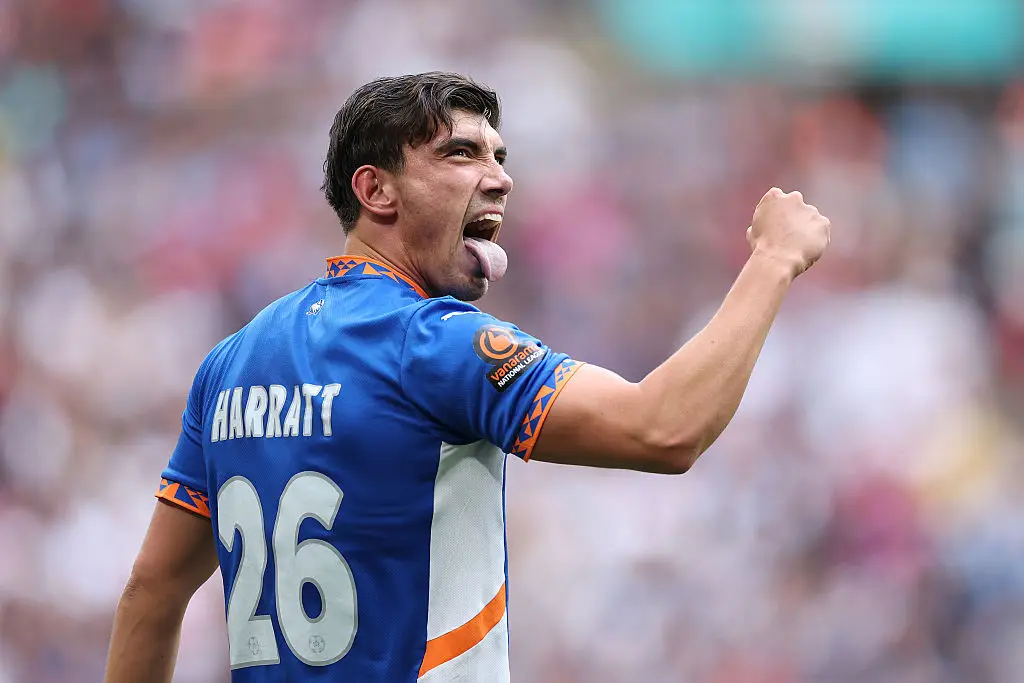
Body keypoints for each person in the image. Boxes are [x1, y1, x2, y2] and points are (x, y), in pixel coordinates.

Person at [103, 71, 830, 683]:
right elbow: (664, 428)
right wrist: (773, 260)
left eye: (500, 155)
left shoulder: (231, 361)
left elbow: (152, 589)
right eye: (461, 153)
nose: (501, 177)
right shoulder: (430, 344)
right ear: (377, 191)